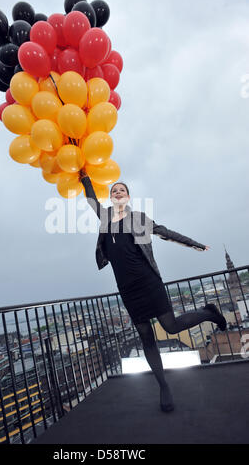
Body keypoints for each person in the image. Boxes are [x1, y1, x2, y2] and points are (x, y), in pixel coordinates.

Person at [79, 169, 227, 413]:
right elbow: (91, 199)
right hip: (127, 289)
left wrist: (193, 244)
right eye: (114, 190)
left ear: (127, 197)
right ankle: (163, 386)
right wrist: (85, 178)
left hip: (148, 281)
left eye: (122, 190)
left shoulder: (138, 218)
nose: (117, 192)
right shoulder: (104, 218)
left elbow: (164, 232)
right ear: (111, 197)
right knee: (146, 336)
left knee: (170, 326)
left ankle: (209, 313)